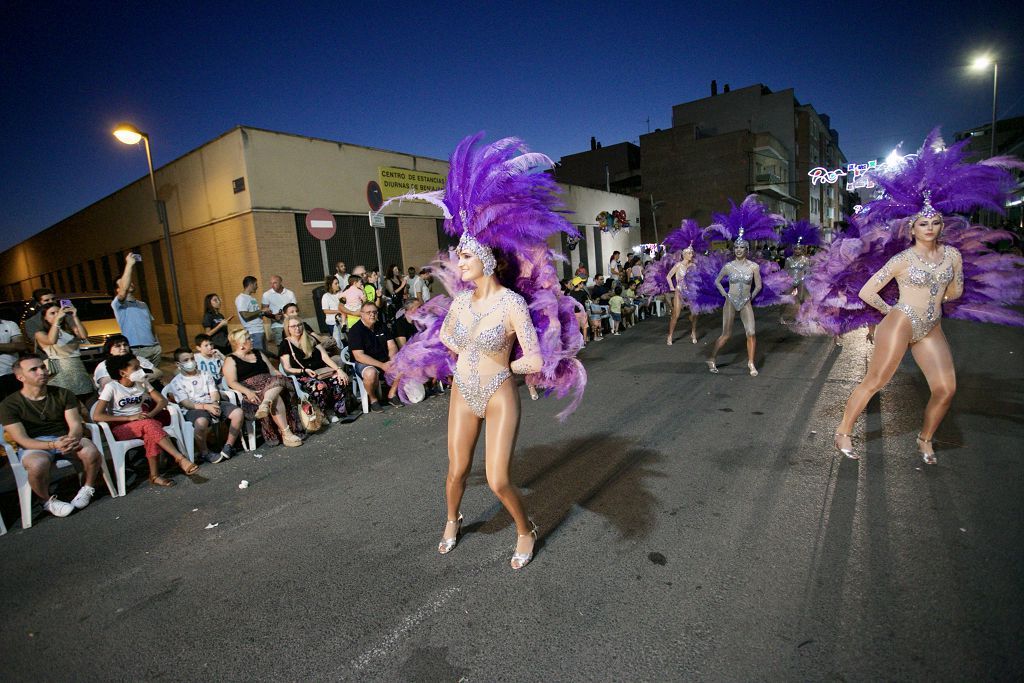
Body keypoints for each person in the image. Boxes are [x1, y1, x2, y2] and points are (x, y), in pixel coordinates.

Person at [381, 134, 586, 570]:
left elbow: (534, 357)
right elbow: (449, 337)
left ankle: (524, 528)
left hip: (497, 393)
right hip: (462, 391)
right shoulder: (459, 303)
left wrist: (504, 364)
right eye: (459, 259)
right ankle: (452, 520)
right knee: (455, 473)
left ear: (486, 261)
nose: (459, 264)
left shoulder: (511, 304)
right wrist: (465, 353)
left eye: (466, 258)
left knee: (496, 479)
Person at [0, 355, 104, 517]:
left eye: (42, 367)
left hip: (64, 437)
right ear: (20, 377)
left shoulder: (63, 393)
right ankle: (46, 501)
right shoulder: (9, 404)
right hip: (34, 443)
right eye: (34, 369)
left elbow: (75, 424)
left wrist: (72, 438)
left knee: (90, 451)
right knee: (37, 464)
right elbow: (22, 439)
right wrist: (52, 445)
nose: (42, 372)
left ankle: (87, 487)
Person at [91, 353, 199, 487]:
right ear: (123, 373)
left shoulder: (141, 382)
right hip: (122, 427)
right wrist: (129, 417)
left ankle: (154, 476)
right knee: (149, 426)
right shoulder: (112, 387)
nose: (140, 370)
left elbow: (162, 400)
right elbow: (97, 416)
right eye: (136, 368)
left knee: (150, 431)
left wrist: (151, 414)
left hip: (145, 422)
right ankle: (179, 458)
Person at [222, 329, 303, 447]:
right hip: (254, 392)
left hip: (271, 384)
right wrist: (248, 392)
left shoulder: (258, 353)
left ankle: (266, 404)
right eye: (249, 338)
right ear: (241, 343)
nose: (252, 340)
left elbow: (272, 370)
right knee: (275, 396)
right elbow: (231, 382)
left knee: (278, 382)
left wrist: (279, 375)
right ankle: (287, 434)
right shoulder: (230, 360)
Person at [166, 348, 244, 463]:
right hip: (194, 408)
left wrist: (214, 404)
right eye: (186, 360)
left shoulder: (205, 374)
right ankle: (204, 453)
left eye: (192, 358)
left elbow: (214, 392)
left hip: (211, 403)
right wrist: (206, 407)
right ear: (178, 364)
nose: (190, 362)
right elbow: (187, 403)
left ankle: (228, 446)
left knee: (238, 413)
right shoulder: (176, 382)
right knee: (201, 423)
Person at [279, 315, 351, 422]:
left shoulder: (310, 338)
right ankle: (324, 413)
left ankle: (340, 410)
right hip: (304, 376)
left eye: (299, 325)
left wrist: (339, 370)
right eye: (293, 326)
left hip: (322, 371)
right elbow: (287, 368)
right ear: (287, 328)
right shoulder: (285, 344)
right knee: (319, 386)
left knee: (339, 379)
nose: (297, 328)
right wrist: (304, 370)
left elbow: (324, 356)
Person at [707, 239, 762, 376]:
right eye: (736, 247)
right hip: (730, 302)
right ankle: (712, 358)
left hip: (745, 302)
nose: (738, 249)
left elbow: (759, 285)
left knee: (751, 332)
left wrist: (751, 297)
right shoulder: (728, 266)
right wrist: (724, 294)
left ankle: (751, 363)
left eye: (741, 247)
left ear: (746, 250)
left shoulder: (754, 266)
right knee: (726, 335)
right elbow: (717, 281)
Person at [34, 302, 95, 402]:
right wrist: (57, 321)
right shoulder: (40, 333)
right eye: (52, 313)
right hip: (60, 371)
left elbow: (83, 336)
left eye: (58, 312)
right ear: (45, 317)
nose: (57, 314)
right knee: (66, 402)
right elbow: (51, 340)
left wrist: (74, 316)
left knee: (88, 398)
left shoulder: (68, 330)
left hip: (77, 368)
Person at [112, 253, 163, 367]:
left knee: (154, 380)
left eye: (130, 280)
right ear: (118, 289)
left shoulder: (142, 304)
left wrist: (158, 345)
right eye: (124, 282)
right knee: (140, 380)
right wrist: (129, 264)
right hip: (137, 350)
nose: (129, 283)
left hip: (154, 348)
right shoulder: (118, 304)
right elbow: (123, 292)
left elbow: (151, 325)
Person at [347, 302, 397, 411]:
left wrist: (392, 360)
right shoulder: (355, 331)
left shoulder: (382, 326)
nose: (372, 315)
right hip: (365, 362)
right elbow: (359, 356)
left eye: (374, 312)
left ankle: (391, 394)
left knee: (402, 364)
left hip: (384, 359)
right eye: (368, 312)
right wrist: (382, 365)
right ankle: (373, 400)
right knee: (371, 373)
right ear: (361, 314)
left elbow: (392, 346)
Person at [93, 334, 162, 391]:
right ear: (109, 350)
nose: (123, 348)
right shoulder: (103, 365)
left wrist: (141, 379)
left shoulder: (138, 359)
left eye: (125, 345)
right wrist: (139, 378)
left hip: (142, 391)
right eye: (118, 346)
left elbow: (158, 373)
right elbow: (106, 384)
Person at [665, 248, 698, 345]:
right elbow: (668, 276)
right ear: (684, 255)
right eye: (689, 253)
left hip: (691, 291)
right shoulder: (678, 265)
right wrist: (672, 287)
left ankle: (693, 332)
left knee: (695, 313)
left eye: (692, 253)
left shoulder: (693, 266)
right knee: (676, 315)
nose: (691, 254)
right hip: (679, 291)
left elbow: (697, 277)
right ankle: (670, 335)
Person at [261, 275, 296, 351]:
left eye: (275, 283)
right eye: (271, 283)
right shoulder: (266, 295)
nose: (272, 285)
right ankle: (283, 362)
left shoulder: (290, 293)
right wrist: (274, 316)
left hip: (291, 324)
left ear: (280, 282)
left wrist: (286, 315)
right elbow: (264, 311)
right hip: (277, 325)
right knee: (281, 346)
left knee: (293, 344)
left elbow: (294, 309)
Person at [235, 276, 267, 353]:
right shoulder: (241, 298)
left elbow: (255, 313)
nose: (257, 286)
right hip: (253, 332)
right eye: (256, 284)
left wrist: (264, 313)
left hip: (260, 330)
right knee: (258, 356)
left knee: (264, 355)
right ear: (250, 284)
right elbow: (245, 315)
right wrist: (260, 311)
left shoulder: (252, 298)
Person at [0, 316, 27, 399]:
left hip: (11, 373)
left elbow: (20, 345)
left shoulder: (9, 324)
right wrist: (9, 346)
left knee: (19, 405)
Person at [320, 275, 343, 342]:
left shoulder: (341, 293)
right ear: (330, 285)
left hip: (342, 321)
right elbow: (326, 310)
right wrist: (338, 311)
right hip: (332, 322)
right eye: (335, 283)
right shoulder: (326, 296)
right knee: (337, 341)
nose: (338, 285)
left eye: (338, 283)